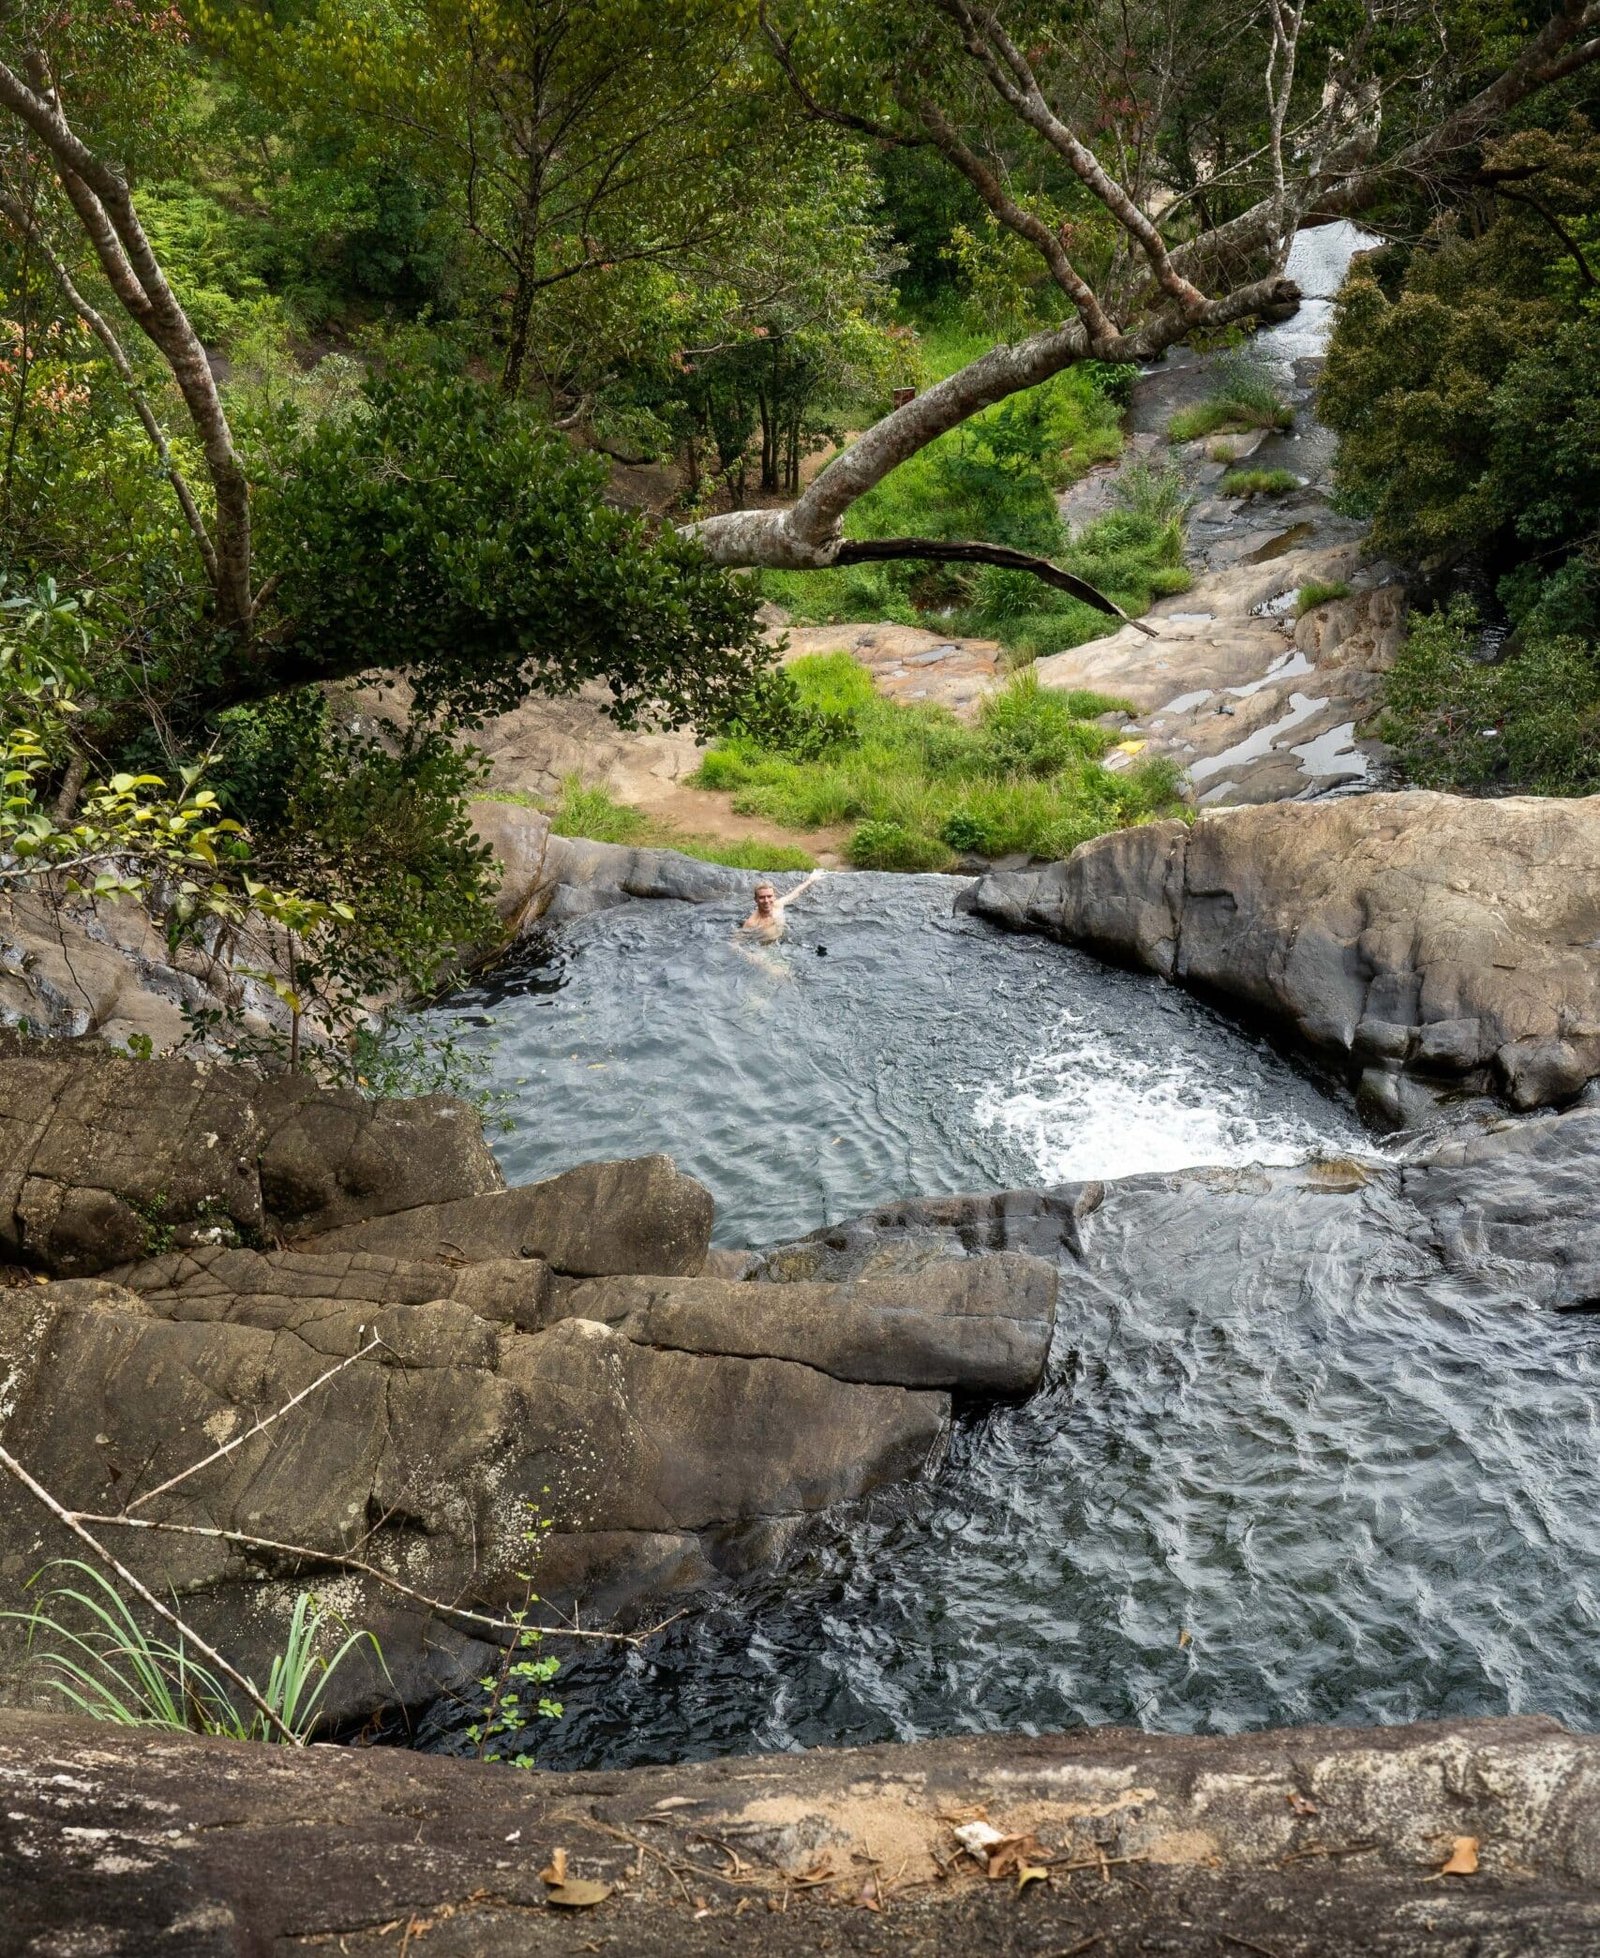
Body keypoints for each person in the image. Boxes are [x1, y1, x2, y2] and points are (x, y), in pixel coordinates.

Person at [739, 869, 821, 945]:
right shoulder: (751, 923)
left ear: (774, 897)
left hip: (785, 940)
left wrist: (810, 880)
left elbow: (795, 893)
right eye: (762, 897)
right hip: (767, 948)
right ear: (755, 899)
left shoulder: (778, 905)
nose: (766, 901)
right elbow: (736, 944)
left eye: (769, 896)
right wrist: (754, 958)